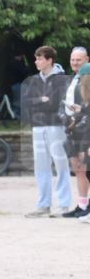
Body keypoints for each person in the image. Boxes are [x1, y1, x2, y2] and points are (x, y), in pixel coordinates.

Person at [22, 46, 72, 217]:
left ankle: (64, 204)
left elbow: (55, 103)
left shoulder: (61, 80)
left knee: (60, 163)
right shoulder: (34, 80)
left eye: (40, 58)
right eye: (36, 58)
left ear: (50, 60)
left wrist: (39, 102)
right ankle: (43, 204)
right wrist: (41, 100)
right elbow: (27, 103)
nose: (36, 62)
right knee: (41, 165)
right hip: (38, 126)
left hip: (56, 125)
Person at [62, 47, 90, 217]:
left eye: (78, 60)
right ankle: (82, 204)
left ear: (87, 59)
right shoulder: (72, 79)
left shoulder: (86, 78)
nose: (74, 63)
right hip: (73, 127)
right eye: (72, 59)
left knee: (86, 167)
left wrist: (81, 114)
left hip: (84, 128)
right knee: (78, 168)